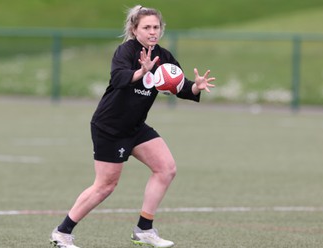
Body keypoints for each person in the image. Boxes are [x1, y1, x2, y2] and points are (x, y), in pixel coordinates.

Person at [50, 5, 215, 248]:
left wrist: (195, 87)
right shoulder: (125, 51)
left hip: (135, 126)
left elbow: (179, 86)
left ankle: (144, 229)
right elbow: (118, 78)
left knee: (166, 168)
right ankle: (62, 232)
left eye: (156, 27)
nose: (152, 32)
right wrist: (141, 71)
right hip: (110, 125)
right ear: (134, 29)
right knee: (105, 185)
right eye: (146, 27)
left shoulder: (163, 56)